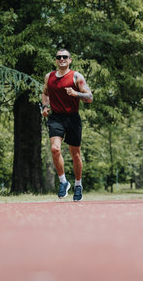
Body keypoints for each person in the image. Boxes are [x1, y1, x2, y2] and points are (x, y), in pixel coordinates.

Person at [41, 49, 93, 201]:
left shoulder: (76, 76)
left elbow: (89, 97)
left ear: (70, 60)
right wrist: (44, 107)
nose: (62, 59)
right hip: (56, 118)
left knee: (75, 154)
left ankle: (78, 184)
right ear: (56, 60)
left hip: (72, 118)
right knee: (55, 149)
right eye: (59, 57)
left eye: (65, 57)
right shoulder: (49, 77)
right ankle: (63, 181)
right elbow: (45, 93)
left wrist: (76, 94)